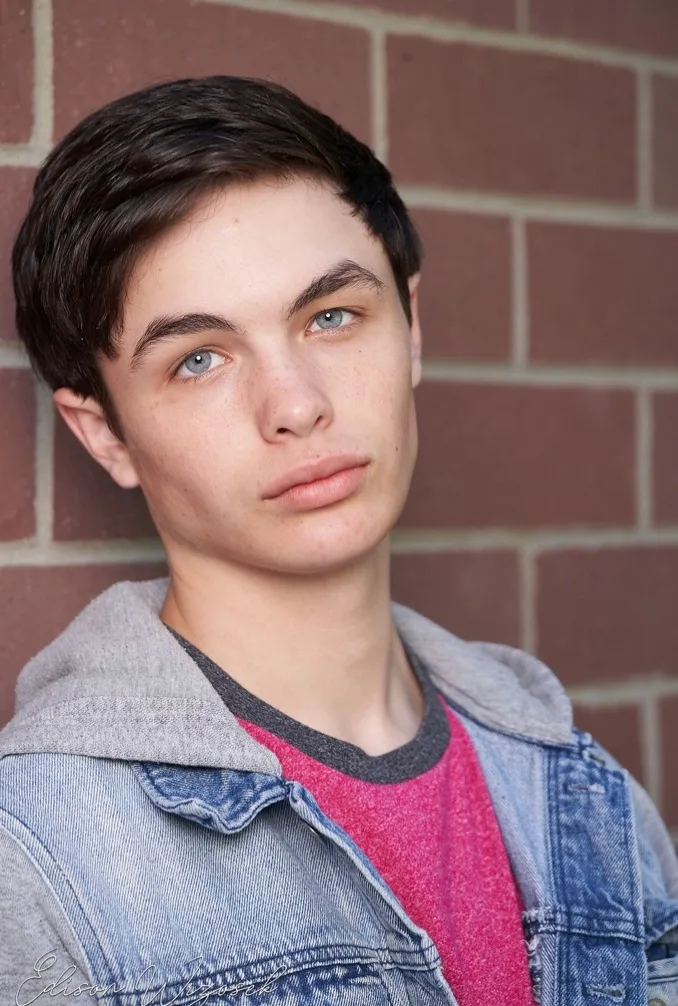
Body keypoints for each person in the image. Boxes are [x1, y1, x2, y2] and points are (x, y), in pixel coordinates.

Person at [0, 76, 676, 1006]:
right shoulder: (32, 857)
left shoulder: (582, 793)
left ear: (412, 330)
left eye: (331, 317)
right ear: (104, 433)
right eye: (198, 359)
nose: (296, 404)